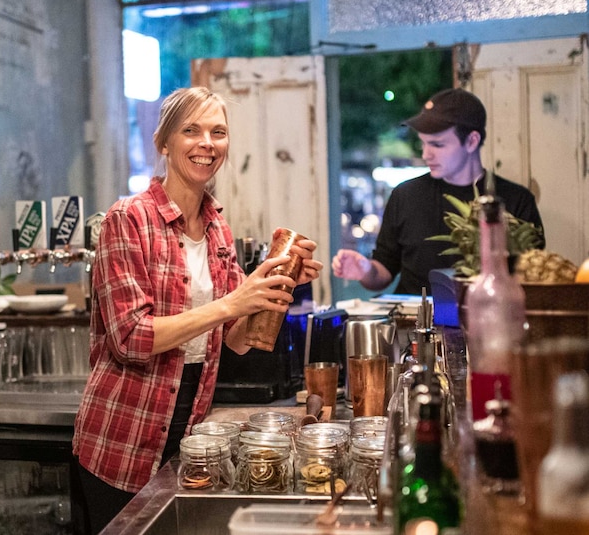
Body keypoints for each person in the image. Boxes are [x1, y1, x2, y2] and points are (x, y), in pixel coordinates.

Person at [71, 86, 323, 533]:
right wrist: (232, 301)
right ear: (164, 143)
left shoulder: (217, 228)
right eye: (192, 130)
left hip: (190, 434)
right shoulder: (127, 219)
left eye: (218, 132)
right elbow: (131, 339)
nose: (207, 143)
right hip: (122, 436)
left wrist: (275, 290)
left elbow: (235, 341)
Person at [332, 88, 544, 295]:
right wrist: (364, 269)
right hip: (412, 320)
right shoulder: (405, 195)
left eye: (437, 145)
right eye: (423, 144)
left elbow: (532, 278)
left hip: (485, 317)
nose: (426, 155)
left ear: (471, 141)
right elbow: (383, 272)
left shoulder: (516, 200)